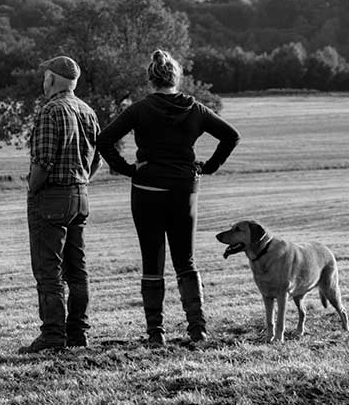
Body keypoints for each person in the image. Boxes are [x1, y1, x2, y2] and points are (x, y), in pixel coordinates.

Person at [96, 49, 240, 346]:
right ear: (177, 77)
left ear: (151, 79)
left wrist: (128, 170)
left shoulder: (139, 109)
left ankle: (155, 333)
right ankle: (197, 329)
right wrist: (208, 167)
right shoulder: (195, 109)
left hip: (147, 190)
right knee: (185, 260)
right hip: (184, 190)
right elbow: (231, 136)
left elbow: (104, 140)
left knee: (152, 262)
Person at [20, 55, 101, 353]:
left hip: (52, 197)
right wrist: (82, 179)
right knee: (77, 270)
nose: (43, 83)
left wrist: (33, 186)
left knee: (48, 269)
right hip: (80, 195)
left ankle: (53, 334)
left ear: (52, 79)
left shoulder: (51, 111)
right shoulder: (86, 110)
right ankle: (78, 332)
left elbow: (43, 160)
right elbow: (98, 158)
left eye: (44, 78)